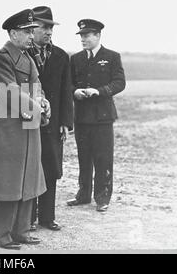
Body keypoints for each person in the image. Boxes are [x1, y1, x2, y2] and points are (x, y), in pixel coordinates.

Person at [0, 9, 48, 250]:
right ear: (13, 33)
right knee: (9, 180)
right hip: (11, 127)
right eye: (26, 32)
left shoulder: (28, 57)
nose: (30, 36)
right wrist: (37, 108)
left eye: (31, 31)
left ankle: (21, 231)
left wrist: (44, 102)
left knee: (29, 178)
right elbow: (10, 90)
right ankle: (1, 235)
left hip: (29, 124)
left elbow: (37, 87)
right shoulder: (1, 58)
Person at [67, 19, 126, 212]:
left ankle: (102, 197)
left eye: (86, 35)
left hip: (102, 117)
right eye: (81, 36)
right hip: (82, 117)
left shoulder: (112, 56)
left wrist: (99, 91)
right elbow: (69, 83)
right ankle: (83, 195)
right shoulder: (75, 59)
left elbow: (119, 82)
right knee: (84, 157)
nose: (83, 39)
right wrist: (74, 92)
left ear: (98, 35)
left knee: (103, 158)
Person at [27, 6, 73, 231]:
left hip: (54, 124)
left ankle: (48, 217)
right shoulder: (22, 55)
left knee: (51, 169)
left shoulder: (61, 56)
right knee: (31, 167)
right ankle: (29, 218)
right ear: (32, 28)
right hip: (29, 122)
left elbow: (66, 91)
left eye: (51, 27)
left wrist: (65, 122)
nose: (49, 32)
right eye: (44, 27)